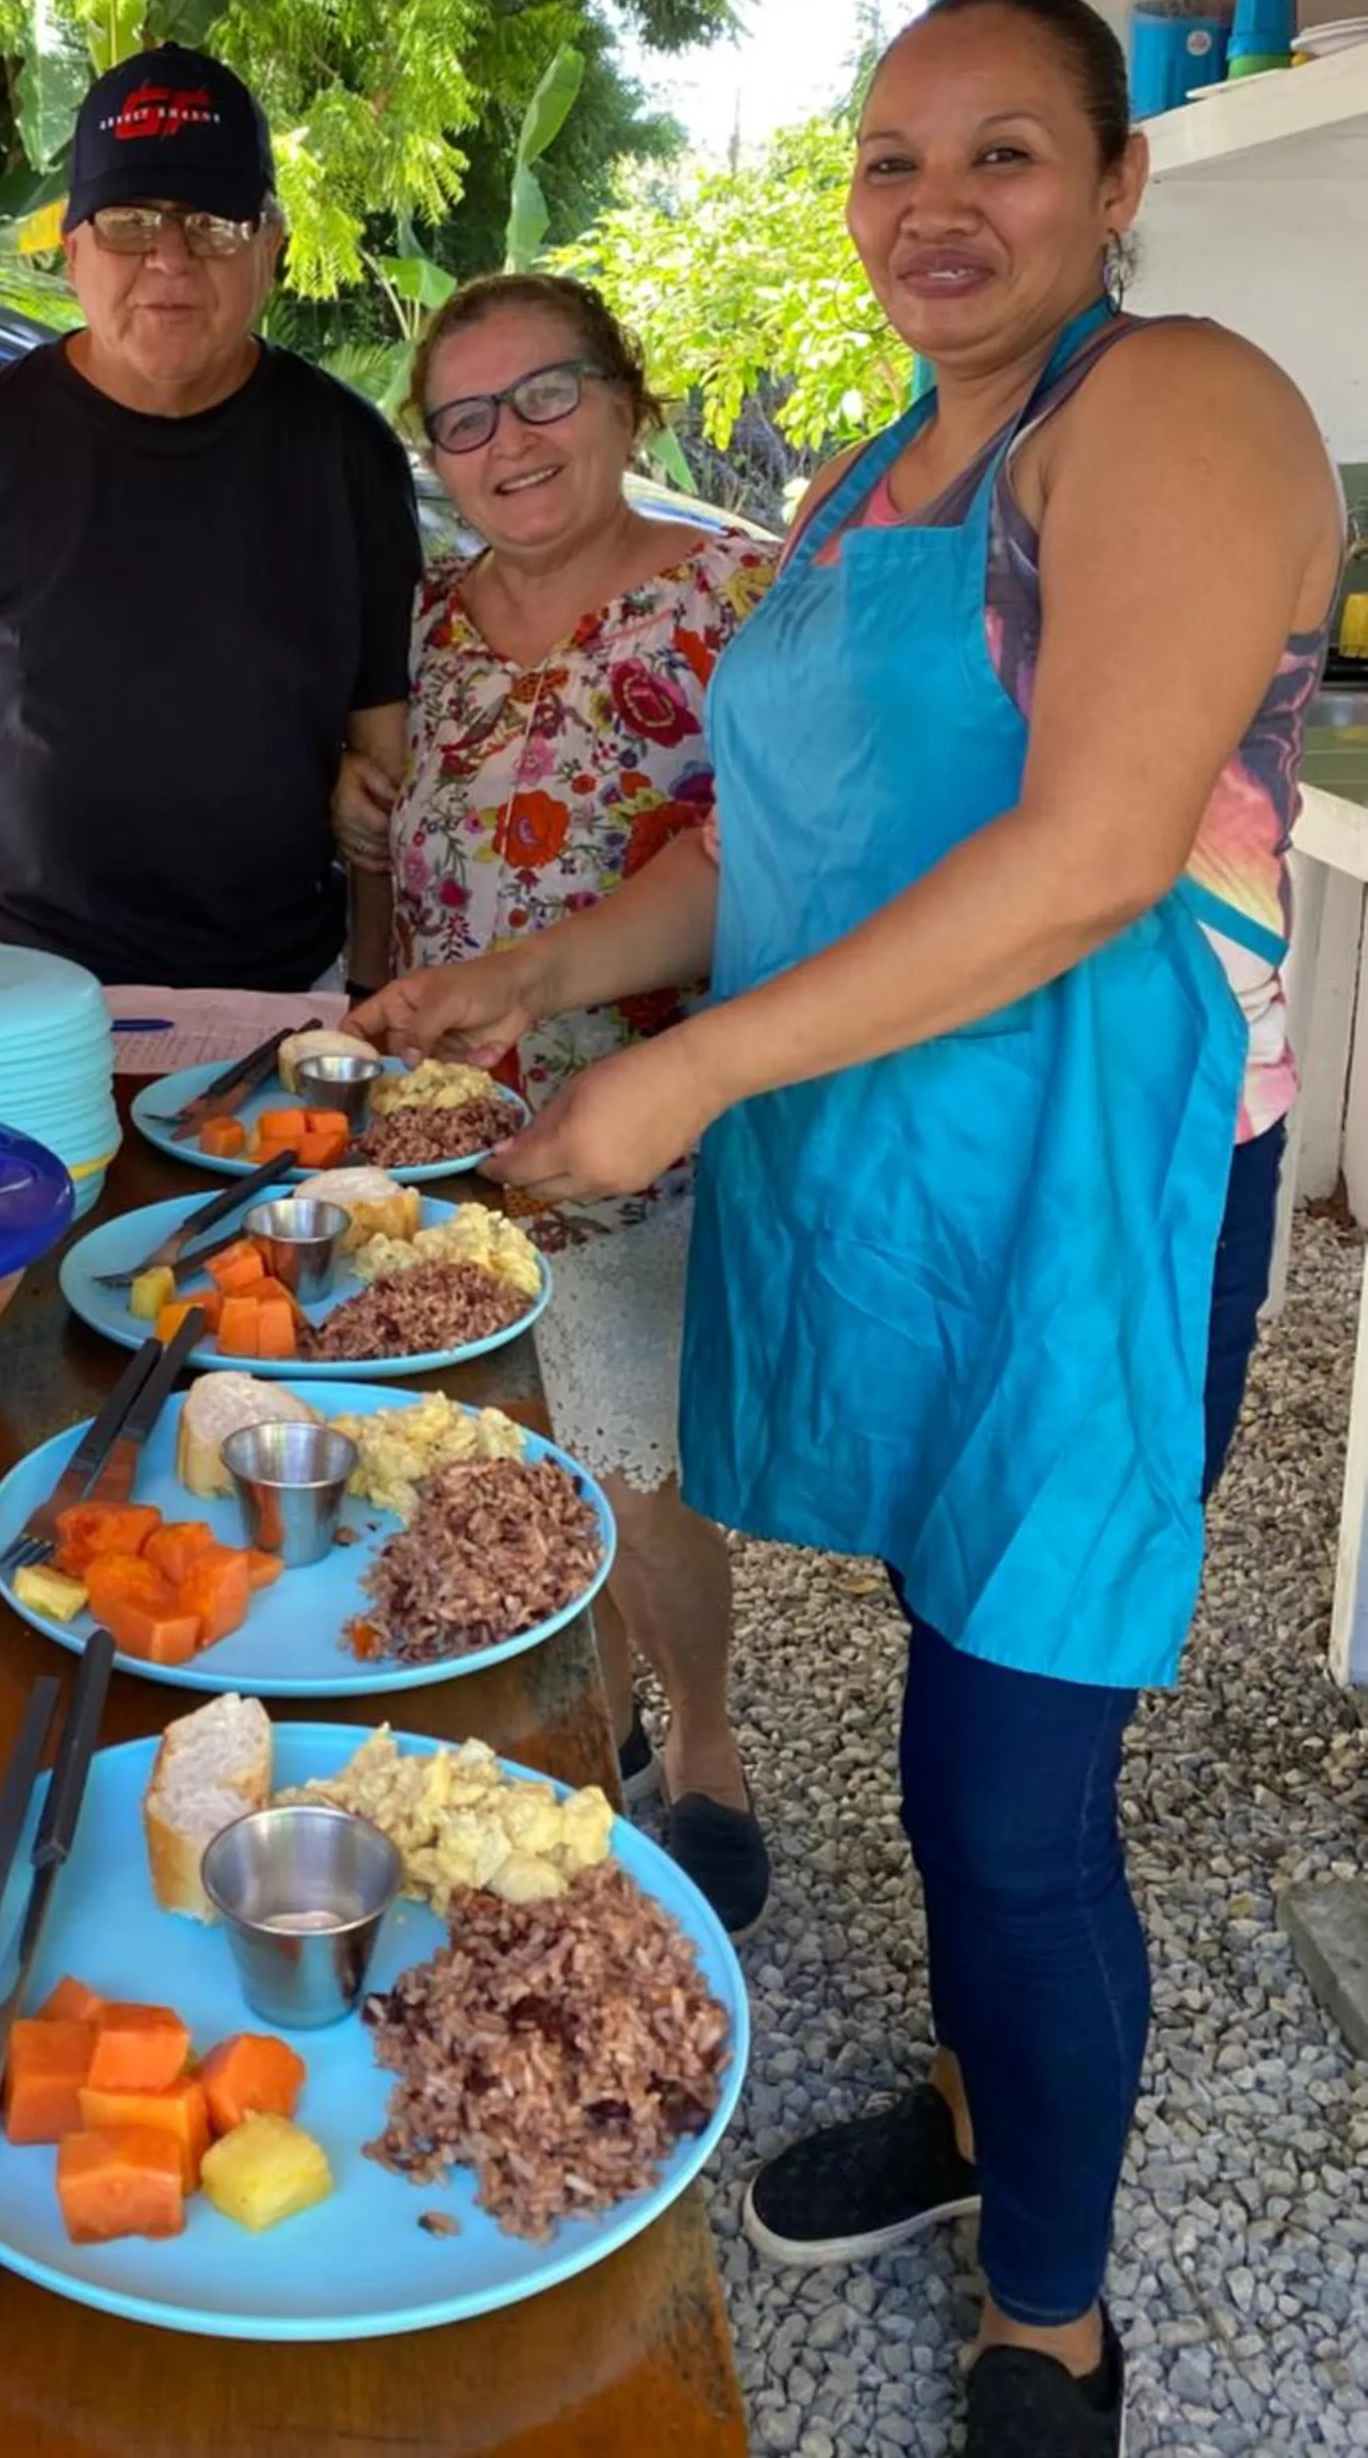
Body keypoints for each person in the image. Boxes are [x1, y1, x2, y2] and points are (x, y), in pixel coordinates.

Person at [354, 0, 1340, 2458]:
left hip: (1081, 1203)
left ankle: (1054, 2316)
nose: (936, 205)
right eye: (893, 159)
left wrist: (671, 1073)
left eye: (1002, 154)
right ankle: (996, 2094)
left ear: (1114, 186)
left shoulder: (1180, 409)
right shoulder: (873, 479)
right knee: (932, 1704)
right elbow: (759, 845)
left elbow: (1099, 847)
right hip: (886, 1178)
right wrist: (548, 967)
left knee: (1011, 1791)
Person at [332, 271, 777, 1934]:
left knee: (636, 1457)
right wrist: (363, 835)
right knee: (493, 1448)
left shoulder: (741, 602)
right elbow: (393, 826)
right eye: (464, 418)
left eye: (545, 395)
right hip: (448, 1124)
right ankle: (572, 1732)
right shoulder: (429, 623)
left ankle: (712, 1755)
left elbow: (785, 870)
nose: (507, 441)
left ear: (627, 401)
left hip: (643, 1125)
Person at [0, 45, 419, 991]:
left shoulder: (347, 454)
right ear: (72, 251)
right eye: (131, 221)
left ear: (271, 246)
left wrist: (368, 991)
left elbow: (380, 744)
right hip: (9, 984)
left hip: (277, 991)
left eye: (212, 222)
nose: (170, 258)